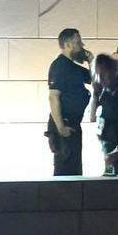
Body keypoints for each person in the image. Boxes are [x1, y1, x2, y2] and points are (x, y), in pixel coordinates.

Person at [45, 28, 92, 176]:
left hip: (72, 124)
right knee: (66, 170)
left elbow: (94, 79)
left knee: (74, 169)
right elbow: (53, 97)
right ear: (68, 44)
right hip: (65, 125)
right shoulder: (60, 66)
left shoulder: (73, 67)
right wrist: (61, 127)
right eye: (78, 41)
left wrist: (91, 60)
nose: (82, 45)